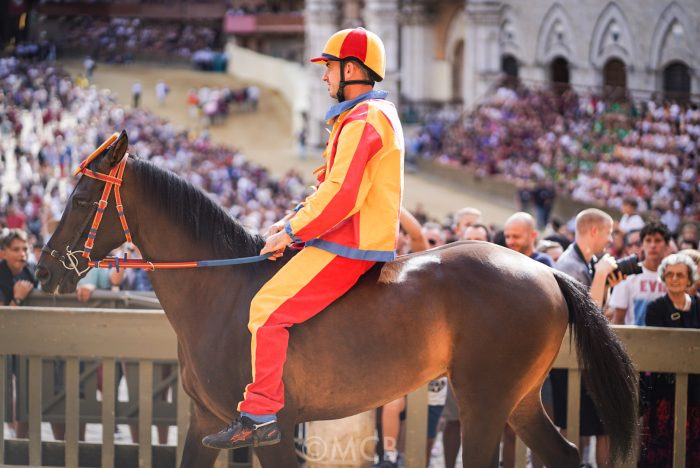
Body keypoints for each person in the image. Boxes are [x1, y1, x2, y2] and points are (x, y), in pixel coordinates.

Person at [202, 27, 404, 449]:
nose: (324, 77)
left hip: (351, 243)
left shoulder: (365, 119)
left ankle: (259, 415)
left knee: (267, 309)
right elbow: (329, 188)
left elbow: (341, 195)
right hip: (345, 235)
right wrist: (288, 223)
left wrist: (292, 232)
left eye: (329, 68)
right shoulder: (361, 115)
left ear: (352, 69)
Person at [549, 208, 622, 468]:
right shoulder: (571, 264)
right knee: (572, 425)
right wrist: (601, 275)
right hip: (571, 359)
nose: (610, 239)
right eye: (608, 233)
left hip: (579, 359)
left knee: (586, 425)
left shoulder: (585, 260)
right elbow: (587, 317)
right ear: (594, 231)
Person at [640, 253, 700, 466]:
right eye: (670, 274)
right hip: (664, 391)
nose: (674, 279)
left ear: (690, 279)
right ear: (663, 278)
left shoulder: (699, 306)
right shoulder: (655, 307)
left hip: (696, 391)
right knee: (661, 448)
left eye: (680, 275)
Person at [0, 229, 36, 439]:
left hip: (26, 343)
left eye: (25, 249)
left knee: (28, 394)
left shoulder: (30, 270)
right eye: (16, 249)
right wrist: (19, 299)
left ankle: (20, 444)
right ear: (3, 253)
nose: (22, 254)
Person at [608, 222, 671, 325]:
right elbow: (618, 321)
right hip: (634, 340)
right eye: (648, 240)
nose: (653, 245)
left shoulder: (674, 276)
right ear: (642, 245)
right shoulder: (628, 276)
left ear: (667, 246)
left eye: (658, 240)